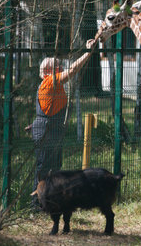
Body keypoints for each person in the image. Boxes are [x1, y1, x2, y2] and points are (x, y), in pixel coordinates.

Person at [26, 39, 96, 209]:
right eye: (59, 66)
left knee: (54, 167)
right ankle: (37, 203)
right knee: (44, 168)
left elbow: (46, 108)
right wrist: (88, 52)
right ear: (50, 71)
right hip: (47, 131)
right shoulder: (51, 82)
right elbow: (72, 71)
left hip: (51, 129)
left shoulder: (50, 84)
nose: (62, 68)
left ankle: (50, 201)